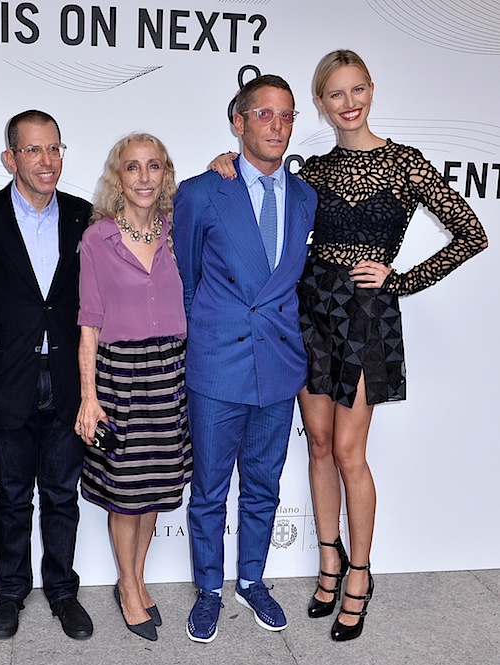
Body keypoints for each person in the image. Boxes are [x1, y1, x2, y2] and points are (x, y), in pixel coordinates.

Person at [210, 50, 488, 641]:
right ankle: (328, 564)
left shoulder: (406, 163)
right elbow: (261, 184)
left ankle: (359, 575)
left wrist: (401, 280)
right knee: (317, 444)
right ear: (321, 103)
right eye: (335, 94)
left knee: (347, 451)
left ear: (371, 90)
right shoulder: (311, 170)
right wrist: (225, 163)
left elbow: (472, 233)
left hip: (365, 317)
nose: (349, 103)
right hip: (310, 314)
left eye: (357, 89)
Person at [173, 75, 317, 643]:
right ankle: (209, 588)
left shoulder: (305, 197)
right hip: (217, 365)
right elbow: (187, 280)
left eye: (287, 115)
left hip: (278, 365)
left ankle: (251, 579)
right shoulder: (202, 192)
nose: (277, 126)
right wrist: (206, 341)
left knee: (263, 485)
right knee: (209, 489)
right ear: (238, 122)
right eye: (264, 114)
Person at [0, 111, 93, 641]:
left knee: (63, 493)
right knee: (13, 493)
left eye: (54, 149)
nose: (47, 161)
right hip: (6, 375)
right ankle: (11, 593)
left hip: (67, 376)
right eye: (33, 150)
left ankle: (63, 591)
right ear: (10, 158)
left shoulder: (85, 216)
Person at [75, 133, 191, 643]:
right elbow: (89, 324)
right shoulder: (97, 239)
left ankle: (139, 578)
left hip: (170, 373)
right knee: (126, 494)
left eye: (154, 166)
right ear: (117, 177)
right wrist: (89, 397)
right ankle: (127, 586)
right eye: (133, 167)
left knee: (154, 490)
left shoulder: (176, 232)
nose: (144, 177)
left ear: (165, 174)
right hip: (120, 375)